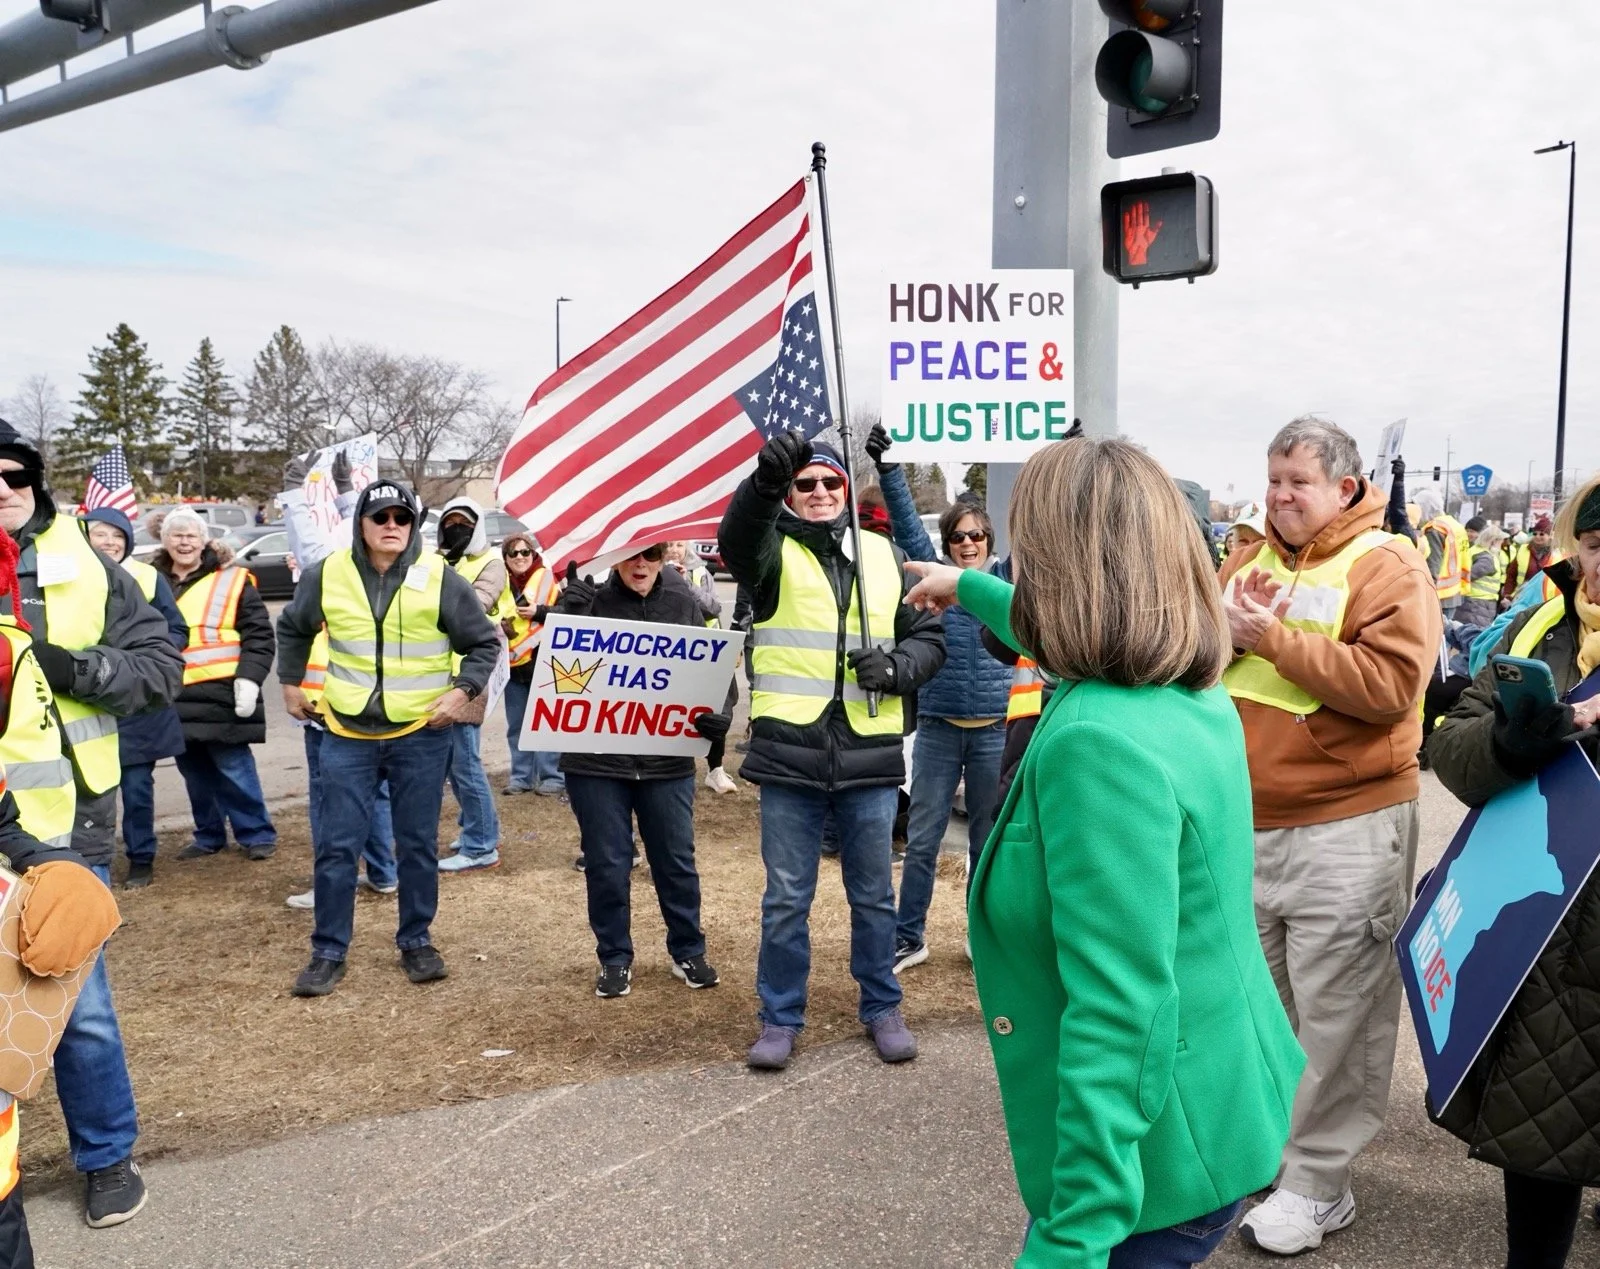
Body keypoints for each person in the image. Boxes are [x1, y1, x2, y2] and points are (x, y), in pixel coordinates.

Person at [903, 437, 1304, 1268]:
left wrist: (1074, 1235)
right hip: (1221, 1106)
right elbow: (1069, 629)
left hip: (1152, 1172)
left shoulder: (1100, 742)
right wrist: (968, 586)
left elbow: (1122, 1017)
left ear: (1060, 572)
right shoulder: (1185, 684)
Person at [1218, 417, 1439, 1255]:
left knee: (1338, 1015)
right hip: (1250, 821)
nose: (1278, 496)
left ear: (1344, 488)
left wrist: (1268, 637)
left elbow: (1390, 686)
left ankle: (1318, 1184)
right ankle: (1272, 1156)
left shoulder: (1386, 565)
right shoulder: (1247, 554)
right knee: (1262, 1004)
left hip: (1349, 827)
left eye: (1296, 482)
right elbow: (1203, 653)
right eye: (1273, 479)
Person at [0, 420, 182, 1229]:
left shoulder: (90, 563)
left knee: (77, 1004)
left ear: (34, 478)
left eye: (14, 472)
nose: (1, 486)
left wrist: (82, 670)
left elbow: (159, 668)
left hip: (65, 824)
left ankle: (107, 1157)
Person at [718, 432, 946, 1071]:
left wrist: (897, 668)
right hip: (791, 755)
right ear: (791, 495)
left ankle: (881, 1005)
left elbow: (931, 638)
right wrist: (764, 483)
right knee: (787, 897)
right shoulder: (771, 554)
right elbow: (737, 540)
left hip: (869, 756)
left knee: (873, 894)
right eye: (805, 485)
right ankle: (780, 1016)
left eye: (830, 483)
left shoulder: (885, 555)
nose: (819, 493)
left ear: (846, 490)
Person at [1426, 472, 1600, 1269]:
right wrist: (1518, 737)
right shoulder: (1536, 632)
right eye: (1598, 547)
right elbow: (1453, 750)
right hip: (1549, 944)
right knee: (1542, 1146)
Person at [276, 481, 499, 996]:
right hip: (346, 734)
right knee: (337, 846)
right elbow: (292, 628)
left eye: (403, 517)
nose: (393, 525)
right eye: (382, 517)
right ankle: (328, 951)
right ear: (362, 524)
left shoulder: (438, 576)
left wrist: (461, 692)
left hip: (420, 734)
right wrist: (290, 686)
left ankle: (416, 940)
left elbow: (483, 642)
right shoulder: (328, 573)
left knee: (417, 845)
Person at [866, 423, 1008, 974]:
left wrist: (1062, 456)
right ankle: (910, 936)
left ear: (990, 543)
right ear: (946, 546)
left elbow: (1052, 534)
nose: (967, 544)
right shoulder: (939, 583)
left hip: (996, 730)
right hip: (940, 729)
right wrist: (887, 469)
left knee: (988, 846)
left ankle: (983, 938)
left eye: (976, 536)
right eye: (958, 538)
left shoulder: (1006, 585)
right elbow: (905, 523)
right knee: (922, 839)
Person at [554, 548, 725, 998]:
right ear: (614, 558)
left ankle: (688, 950)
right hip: (595, 763)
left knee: (676, 862)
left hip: (666, 761)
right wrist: (566, 618)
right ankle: (614, 957)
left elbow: (715, 670)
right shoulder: (586, 600)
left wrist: (718, 717)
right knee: (607, 865)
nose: (640, 563)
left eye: (649, 554)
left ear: (662, 554)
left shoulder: (683, 603)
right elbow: (552, 683)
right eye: (630, 554)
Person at [152, 509, 278, 862]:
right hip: (173, 694)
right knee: (194, 773)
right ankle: (208, 835)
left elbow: (259, 635)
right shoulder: (149, 579)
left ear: (205, 539)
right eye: (176, 534)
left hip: (222, 693)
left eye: (191, 534)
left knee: (235, 768)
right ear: (164, 540)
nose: (184, 541)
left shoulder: (234, 579)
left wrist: (250, 679)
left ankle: (256, 834)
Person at [81, 508, 186, 890]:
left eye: (118, 536)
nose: (109, 543)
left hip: (137, 709)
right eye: (100, 534)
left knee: (137, 790)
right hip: (84, 706)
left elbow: (175, 630)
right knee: (86, 792)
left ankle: (141, 857)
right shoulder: (66, 574)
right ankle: (87, 861)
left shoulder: (147, 577)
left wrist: (144, 661)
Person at [434, 498, 506, 874]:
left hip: (470, 674)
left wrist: (443, 580)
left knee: (466, 763)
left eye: (464, 523)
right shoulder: (441, 560)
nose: (456, 530)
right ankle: (479, 829)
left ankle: (481, 846)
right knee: (453, 762)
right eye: (450, 523)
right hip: (441, 675)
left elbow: (474, 607)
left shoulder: (490, 563)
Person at [661, 541, 735, 794]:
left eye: (679, 545)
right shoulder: (648, 571)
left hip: (706, 654)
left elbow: (712, 608)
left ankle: (716, 770)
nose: (673, 550)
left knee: (717, 710)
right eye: (668, 545)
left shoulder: (701, 574)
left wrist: (685, 584)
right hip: (670, 656)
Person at [499, 533, 563, 797]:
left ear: (533, 554)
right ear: (505, 558)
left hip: (544, 660)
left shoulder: (548, 578)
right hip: (512, 665)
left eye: (525, 552)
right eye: (513, 553)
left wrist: (540, 612)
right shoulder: (499, 584)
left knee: (546, 722)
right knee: (517, 725)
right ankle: (521, 777)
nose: (520, 557)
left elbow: (570, 611)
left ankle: (553, 777)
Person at [1415, 487, 1469, 617]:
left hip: (1439, 594)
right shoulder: (1455, 526)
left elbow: (1432, 566)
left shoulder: (1435, 529)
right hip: (1454, 591)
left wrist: (1425, 595)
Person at [1502, 515, 1565, 605]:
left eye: (1542, 534)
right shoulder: (1523, 550)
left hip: (1545, 600)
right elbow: (1511, 575)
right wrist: (1507, 596)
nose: (1537, 537)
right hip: (1521, 598)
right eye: (1535, 534)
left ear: (1551, 535)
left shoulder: (1559, 554)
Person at [1458, 523, 1506, 627]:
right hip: (1478, 605)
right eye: (1500, 541)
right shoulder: (1487, 559)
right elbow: (1469, 576)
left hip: (1471, 602)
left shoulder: (1475, 550)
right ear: (1493, 541)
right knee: (1474, 636)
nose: (1502, 544)